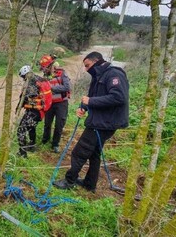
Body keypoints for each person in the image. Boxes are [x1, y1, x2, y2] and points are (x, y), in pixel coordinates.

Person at [53, 51, 129, 193]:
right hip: (100, 120)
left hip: (104, 123)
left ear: (97, 61)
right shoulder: (98, 75)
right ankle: (89, 184)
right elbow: (93, 96)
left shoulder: (114, 74)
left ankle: (69, 181)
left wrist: (91, 101)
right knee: (94, 153)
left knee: (79, 152)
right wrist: (84, 107)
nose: (87, 69)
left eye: (88, 65)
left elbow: (119, 97)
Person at [39, 54, 71, 153]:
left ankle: (55, 144)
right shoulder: (45, 76)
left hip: (61, 103)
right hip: (50, 103)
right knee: (47, 123)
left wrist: (51, 88)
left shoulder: (62, 73)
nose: (44, 70)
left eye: (45, 68)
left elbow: (67, 87)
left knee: (59, 124)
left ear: (50, 66)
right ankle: (45, 140)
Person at [16, 65, 46, 158]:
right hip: (38, 111)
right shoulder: (39, 79)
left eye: (23, 76)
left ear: (25, 74)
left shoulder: (32, 82)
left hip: (34, 111)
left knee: (20, 131)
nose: (23, 79)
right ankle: (32, 146)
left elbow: (30, 95)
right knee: (31, 127)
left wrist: (19, 106)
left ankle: (23, 153)